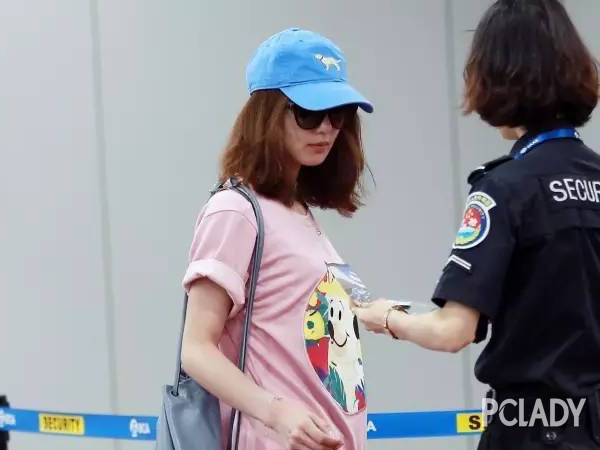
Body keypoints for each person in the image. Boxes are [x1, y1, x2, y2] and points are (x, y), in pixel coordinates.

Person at [355, 1, 600, 448]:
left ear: (499, 77)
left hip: (532, 430)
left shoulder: (504, 190)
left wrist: (385, 317)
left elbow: (453, 330)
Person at [180, 28, 373, 450]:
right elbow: (196, 350)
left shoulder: (295, 212)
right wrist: (278, 413)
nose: (326, 128)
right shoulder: (235, 211)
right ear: (267, 114)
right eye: (308, 113)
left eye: (338, 114)